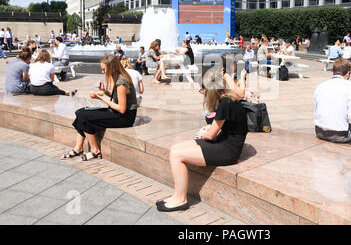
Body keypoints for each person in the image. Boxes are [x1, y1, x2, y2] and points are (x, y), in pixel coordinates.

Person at [156, 71, 248, 212]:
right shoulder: (228, 99)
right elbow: (220, 126)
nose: (202, 92)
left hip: (228, 150)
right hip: (223, 142)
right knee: (175, 148)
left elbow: (211, 135)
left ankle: (181, 199)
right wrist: (207, 130)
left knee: (177, 155)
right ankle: (176, 195)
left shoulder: (226, 103)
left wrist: (204, 134)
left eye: (203, 89)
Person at [62, 55, 138, 161]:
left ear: (112, 68)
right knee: (80, 112)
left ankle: (95, 151)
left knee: (84, 117)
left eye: (103, 69)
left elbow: (122, 108)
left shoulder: (121, 81)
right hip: (117, 113)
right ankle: (78, 148)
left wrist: (101, 98)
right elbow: (118, 97)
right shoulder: (119, 76)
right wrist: (105, 91)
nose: (102, 72)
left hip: (125, 118)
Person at [314, 59, 351, 145]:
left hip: (319, 131)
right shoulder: (350, 86)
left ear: (333, 72)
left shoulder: (321, 85)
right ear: (348, 74)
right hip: (338, 134)